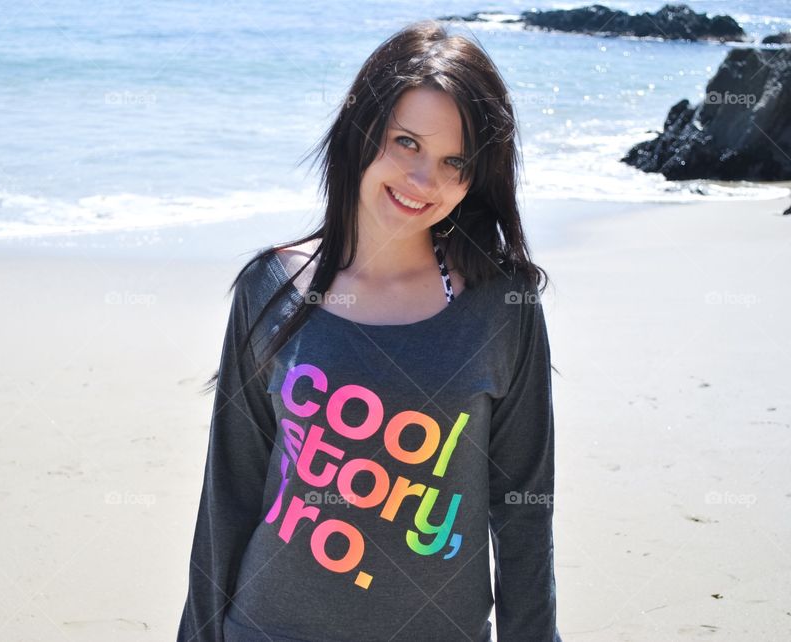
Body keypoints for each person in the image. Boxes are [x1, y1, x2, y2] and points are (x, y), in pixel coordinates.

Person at [177, 19, 561, 642]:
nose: (422, 181)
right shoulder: (270, 287)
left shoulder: (504, 307)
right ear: (362, 132)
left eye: (453, 161)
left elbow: (523, 515)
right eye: (406, 142)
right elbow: (229, 491)